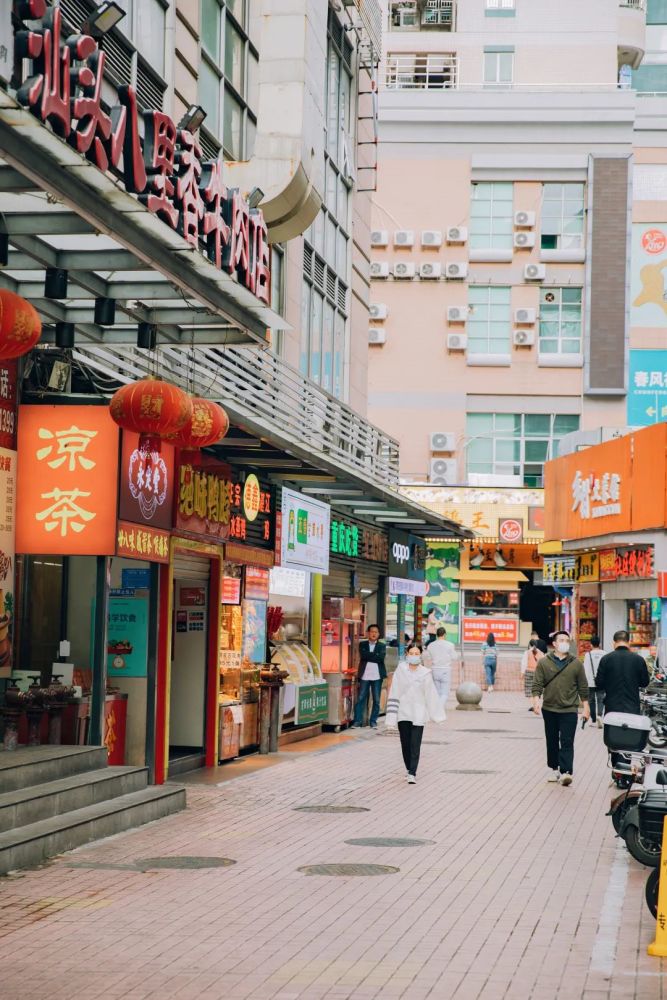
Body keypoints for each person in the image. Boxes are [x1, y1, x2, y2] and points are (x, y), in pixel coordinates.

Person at [532, 629, 589, 786]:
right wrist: (536, 701)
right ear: (555, 644)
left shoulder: (576, 663)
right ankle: (554, 769)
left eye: (567, 640)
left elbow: (583, 687)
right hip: (549, 708)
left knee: (567, 740)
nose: (564, 643)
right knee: (551, 740)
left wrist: (586, 707)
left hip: (569, 709)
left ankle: (566, 772)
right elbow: (537, 684)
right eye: (561, 640)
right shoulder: (544, 662)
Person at [385, 643, 445, 784]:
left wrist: (438, 716)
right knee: (405, 743)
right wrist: (391, 717)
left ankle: (412, 772)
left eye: (416, 653)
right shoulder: (401, 670)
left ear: (420, 655)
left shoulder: (425, 673)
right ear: (407, 654)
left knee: (415, 744)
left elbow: (431, 695)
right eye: (411, 653)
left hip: (418, 713)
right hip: (403, 712)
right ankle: (408, 768)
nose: (413, 656)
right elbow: (395, 691)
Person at [595, 630, 650, 716]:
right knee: (631, 729)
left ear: (614, 642)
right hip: (632, 707)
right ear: (629, 642)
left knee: (612, 729)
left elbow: (599, 683)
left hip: (612, 707)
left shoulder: (606, 659)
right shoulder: (639, 659)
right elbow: (645, 682)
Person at [351, 625, 386, 729]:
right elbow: (364, 656)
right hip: (364, 676)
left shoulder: (382, 645)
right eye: (372, 632)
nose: (374, 634)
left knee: (376, 699)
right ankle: (357, 721)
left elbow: (380, 658)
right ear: (368, 633)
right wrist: (374, 655)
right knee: (361, 698)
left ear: (378, 634)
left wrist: (370, 655)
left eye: (376, 632)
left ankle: (373, 721)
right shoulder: (362, 644)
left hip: (377, 676)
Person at [424, 626, 457, 707]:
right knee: (445, 692)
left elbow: (428, 657)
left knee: (438, 691)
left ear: (436, 635)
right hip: (446, 669)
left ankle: (437, 708)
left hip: (435, 669)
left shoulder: (431, 645)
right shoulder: (450, 645)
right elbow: (455, 657)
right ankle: (439, 708)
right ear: (445, 634)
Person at [582, 635, 607, 728]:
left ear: (591, 644)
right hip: (602, 681)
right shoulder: (605, 654)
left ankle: (593, 720)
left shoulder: (587, 655)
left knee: (591, 700)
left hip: (590, 681)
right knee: (601, 699)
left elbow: (585, 669)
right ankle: (600, 716)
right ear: (599, 643)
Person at [522, 638, 547, 710]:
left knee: (529, 690)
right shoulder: (541, 653)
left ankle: (534, 705)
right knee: (537, 689)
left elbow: (524, 663)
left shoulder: (527, 652)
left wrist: (522, 673)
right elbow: (544, 664)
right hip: (538, 673)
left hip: (529, 672)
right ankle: (536, 704)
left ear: (529, 645)